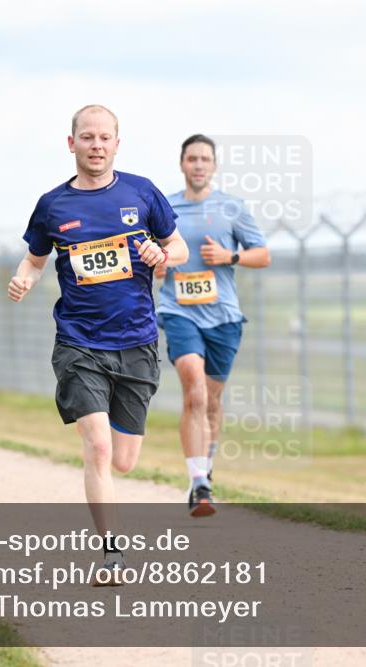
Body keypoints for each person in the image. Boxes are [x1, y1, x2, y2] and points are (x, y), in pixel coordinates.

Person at [8, 104, 188, 584]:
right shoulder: (53, 205)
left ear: (117, 144)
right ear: (72, 143)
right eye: (87, 137)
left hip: (136, 342)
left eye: (105, 137)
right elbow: (34, 260)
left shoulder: (141, 192)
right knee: (99, 447)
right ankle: (112, 555)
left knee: (124, 460)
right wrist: (24, 279)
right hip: (79, 342)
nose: (96, 145)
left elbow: (180, 247)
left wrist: (161, 253)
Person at [155, 134, 270, 517]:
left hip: (223, 316)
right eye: (192, 158)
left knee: (212, 402)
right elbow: (151, 253)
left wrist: (229, 256)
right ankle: (199, 483)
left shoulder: (232, 207)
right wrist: (158, 265)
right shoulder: (165, 207)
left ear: (214, 165)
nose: (199, 165)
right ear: (182, 164)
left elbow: (263, 255)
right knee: (195, 392)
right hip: (179, 311)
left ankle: (205, 467)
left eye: (205, 159)